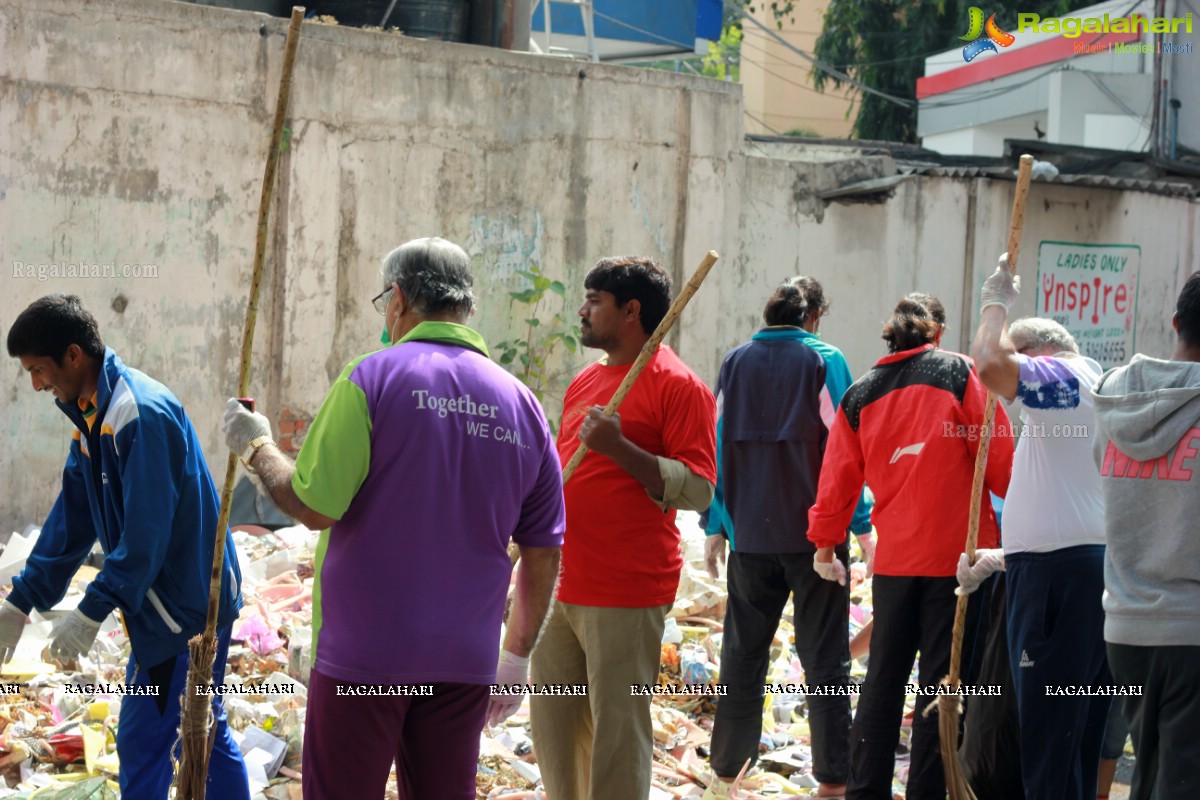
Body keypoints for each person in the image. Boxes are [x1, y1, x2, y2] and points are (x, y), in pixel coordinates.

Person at [222, 237, 565, 800]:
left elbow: (312, 505)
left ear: (399, 299)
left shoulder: (371, 379)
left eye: (385, 300)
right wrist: (516, 656)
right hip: (464, 664)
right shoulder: (522, 405)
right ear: (467, 308)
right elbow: (544, 549)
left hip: (365, 660)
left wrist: (256, 446)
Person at [3, 294, 249, 800]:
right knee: (198, 726)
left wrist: (92, 609)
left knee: (152, 737)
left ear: (74, 355)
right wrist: (20, 599)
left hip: (184, 611)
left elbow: (146, 535)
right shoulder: (91, 416)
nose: (36, 384)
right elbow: (72, 519)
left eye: (39, 369)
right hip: (167, 603)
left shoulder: (137, 413)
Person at [807, 292, 1014, 800]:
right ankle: (926, 791)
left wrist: (824, 546)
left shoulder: (861, 393)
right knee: (942, 689)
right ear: (937, 333)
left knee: (882, 684)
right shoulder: (961, 374)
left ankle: (864, 792)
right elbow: (1004, 466)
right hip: (960, 564)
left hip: (897, 562)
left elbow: (836, 481)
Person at [528, 255, 717, 800]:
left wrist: (620, 449)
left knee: (617, 735)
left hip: (626, 590)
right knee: (555, 732)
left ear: (631, 310)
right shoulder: (588, 379)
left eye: (595, 300)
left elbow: (700, 488)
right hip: (561, 584)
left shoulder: (680, 385)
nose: (582, 310)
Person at [701, 277, 872, 799]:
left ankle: (727, 773)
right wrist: (861, 526)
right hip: (816, 541)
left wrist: (715, 522)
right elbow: (847, 449)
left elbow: (717, 444)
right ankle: (834, 780)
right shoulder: (824, 359)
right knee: (824, 658)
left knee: (742, 655)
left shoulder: (735, 362)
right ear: (815, 316)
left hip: (749, 535)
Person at [959, 253, 1109, 800]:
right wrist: (1001, 559)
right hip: (1069, 575)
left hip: (1058, 583)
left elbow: (989, 365)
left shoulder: (1062, 377)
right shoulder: (1083, 391)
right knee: (1069, 740)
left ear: (1034, 357)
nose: (1008, 398)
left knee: (1048, 742)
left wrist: (994, 301)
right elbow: (1076, 501)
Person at [1093, 270, 1200, 800]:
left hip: (1126, 628)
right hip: (1190, 631)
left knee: (1157, 773)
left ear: (1176, 322)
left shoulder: (1113, 399)